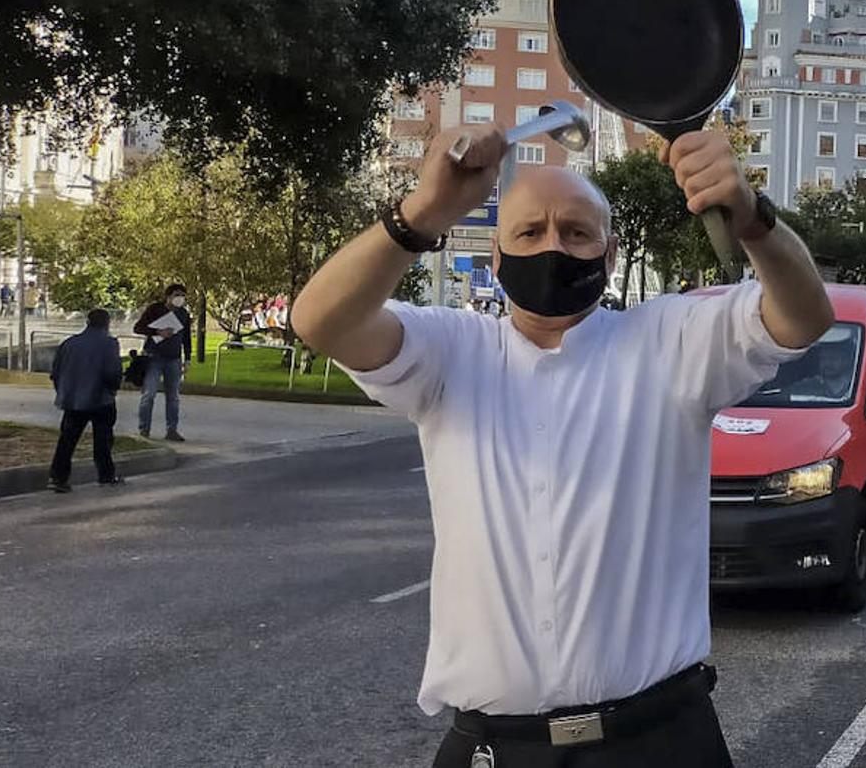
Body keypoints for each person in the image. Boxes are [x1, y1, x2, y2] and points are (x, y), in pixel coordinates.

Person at [293, 124, 830, 768]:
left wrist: (752, 219)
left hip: (658, 742)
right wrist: (425, 213)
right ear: (496, 259)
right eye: (529, 232)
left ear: (608, 258)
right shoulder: (452, 352)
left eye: (577, 232)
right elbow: (320, 319)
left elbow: (803, 316)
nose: (553, 246)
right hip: (496, 747)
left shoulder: (671, 343)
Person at [47, 308, 124, 492]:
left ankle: (58, 477)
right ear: (107, 323)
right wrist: (113, 389)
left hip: (73, 400)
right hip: (101, 398)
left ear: (87, 322)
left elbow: (56, 372)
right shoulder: (109, 343)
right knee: (103, 439)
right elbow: (112, 372)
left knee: (67, 440)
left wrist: (64, 392)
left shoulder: (69, 343)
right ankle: (105, 475)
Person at [132, 283, 192, 441]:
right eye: (177, 295)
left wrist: (188, 359)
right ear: (168, 296)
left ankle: (172, 429)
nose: (180, 299)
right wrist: (157, 331)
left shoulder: (183, 314)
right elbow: (138, 328)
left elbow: (186, 338)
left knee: (173, 396)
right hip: (154, 357)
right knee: (149, 394)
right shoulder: (155, 310)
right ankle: (144, 429)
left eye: (183, 296)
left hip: (174, 358)